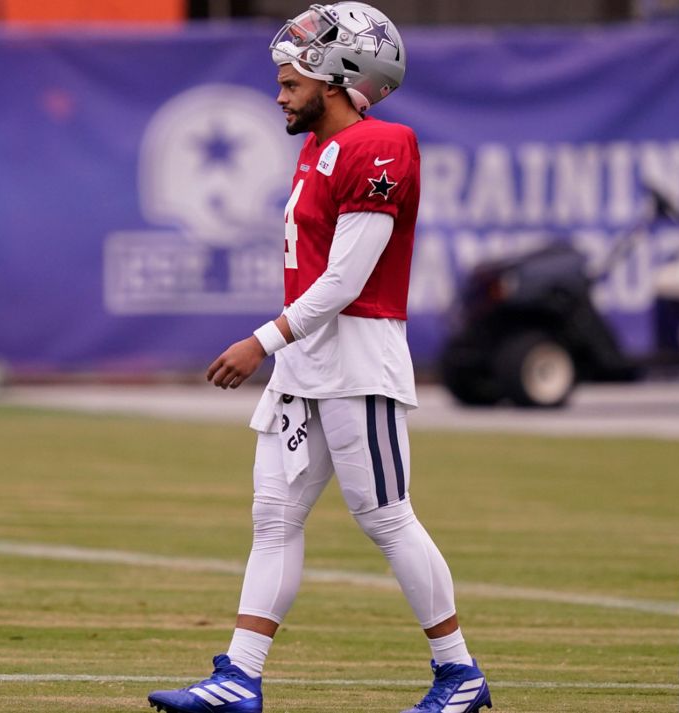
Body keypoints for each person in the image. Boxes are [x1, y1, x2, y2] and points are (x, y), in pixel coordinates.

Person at [147, 4, 491, 713]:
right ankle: (239, 675)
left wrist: (262, 340)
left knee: (385, 515)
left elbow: (347, 279)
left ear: (335, 78)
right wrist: (282, 351)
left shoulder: (380, 145)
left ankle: (460, 673)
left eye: (291, 81)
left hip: (355, 358)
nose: (279, 94)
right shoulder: (317, 151)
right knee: (273, 515)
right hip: (307, 362)